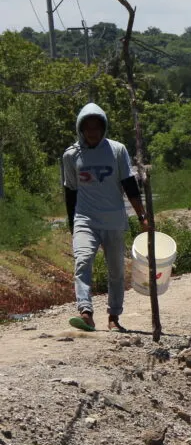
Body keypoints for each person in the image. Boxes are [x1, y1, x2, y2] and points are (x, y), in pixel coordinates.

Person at [62, 103, 150, 332]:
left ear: (103, 128)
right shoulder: (71, 155)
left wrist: (143, 217)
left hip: (113, 220)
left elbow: (129, 186)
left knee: (116, 271)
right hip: (85, 219)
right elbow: (70, 192)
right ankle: (86, 312)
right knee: (82, 262)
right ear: (81, 129)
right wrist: (73, 225)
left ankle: (114, 316)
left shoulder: (117, 150)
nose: (92, 132)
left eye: (96, 127)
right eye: (88, 127)